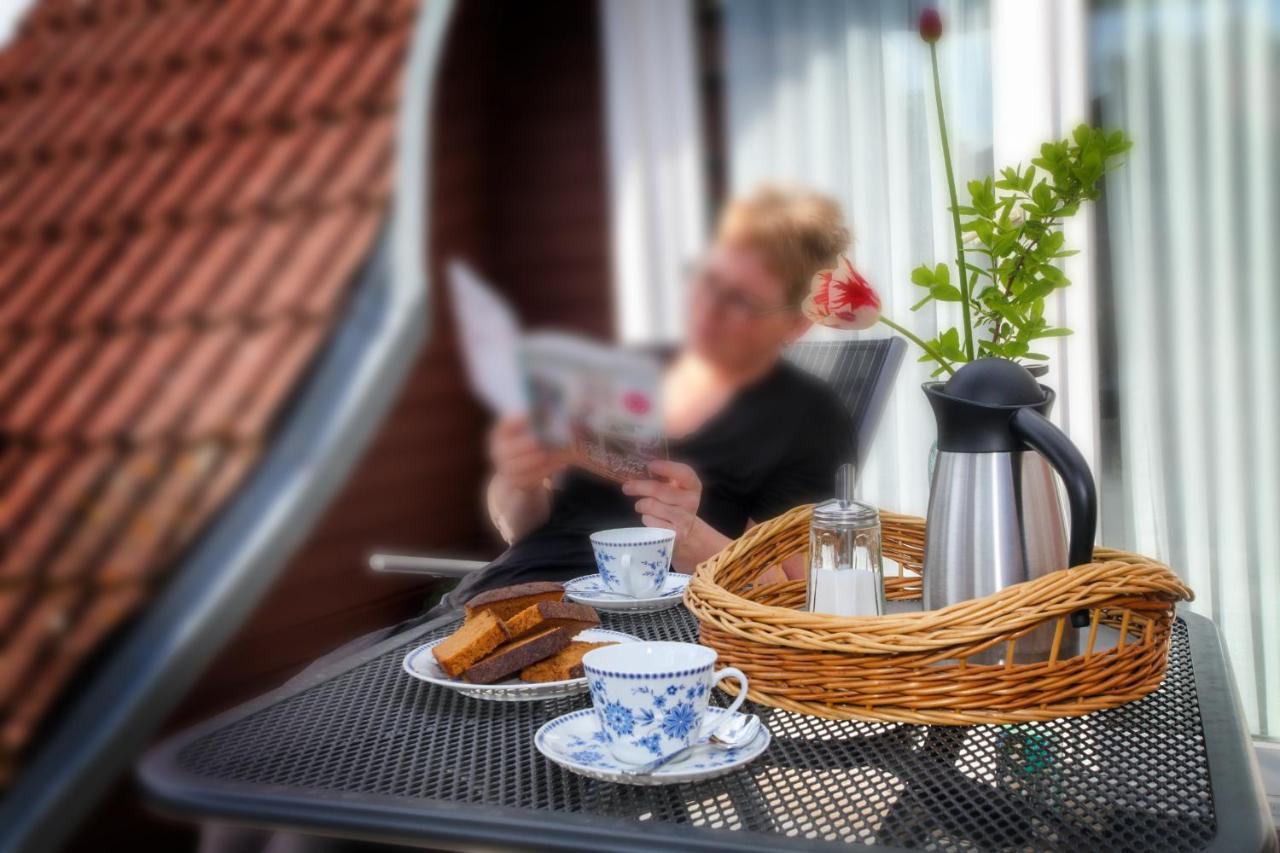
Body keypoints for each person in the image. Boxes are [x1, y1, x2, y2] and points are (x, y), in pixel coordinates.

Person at [447, 185, 856, 607]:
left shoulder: (809, 418)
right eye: (709, 280)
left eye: (741, 301)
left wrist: (688, 535)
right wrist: (520, 478)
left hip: (642, 627)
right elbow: (519, 529)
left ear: (795, 325)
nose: (708, 308)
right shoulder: (624, 371)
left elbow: (787, 595)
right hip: (508, 596)